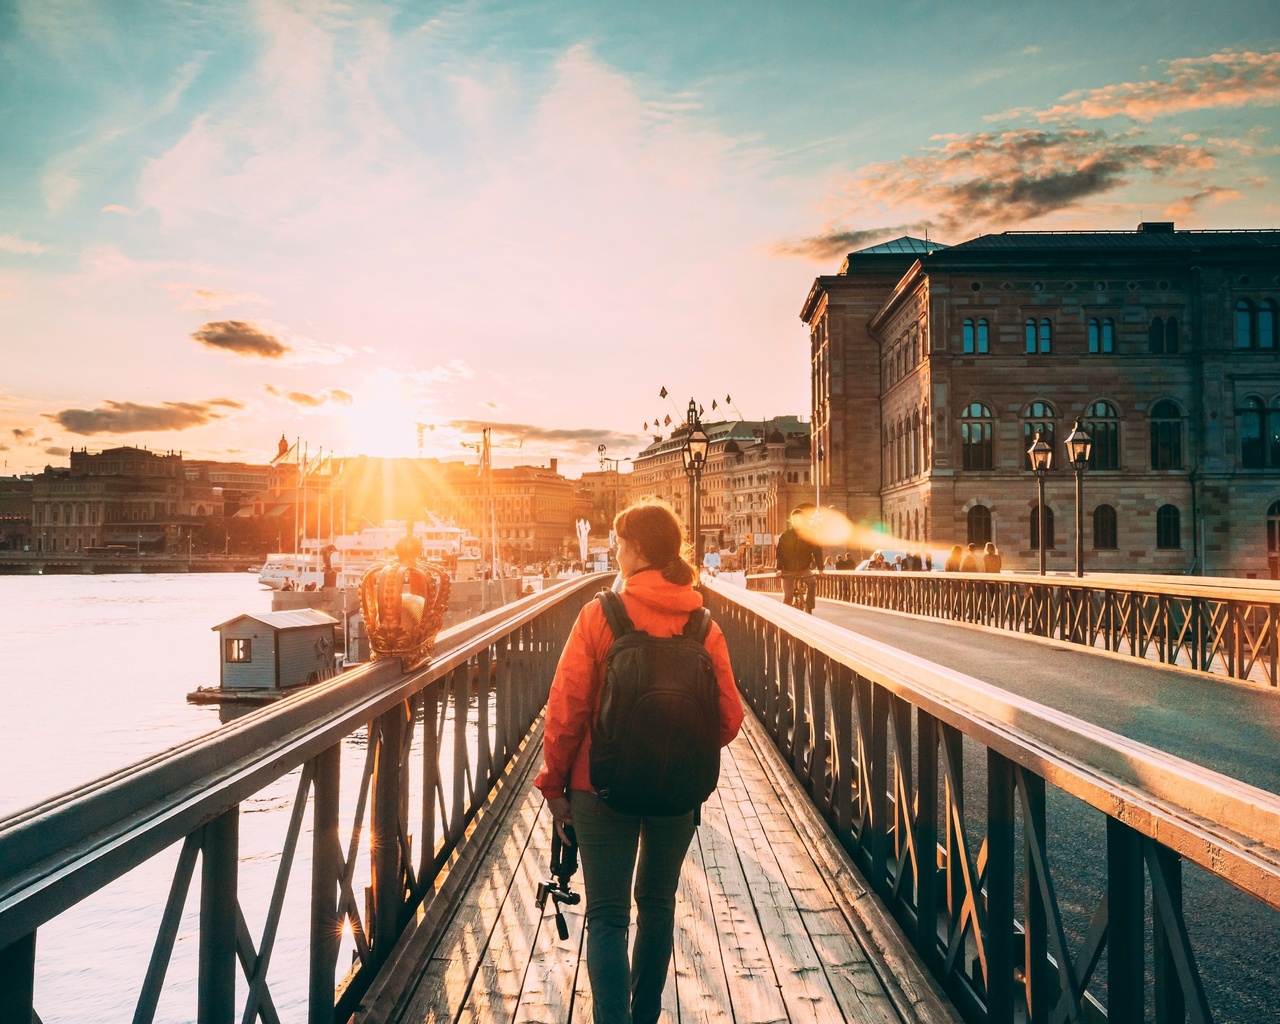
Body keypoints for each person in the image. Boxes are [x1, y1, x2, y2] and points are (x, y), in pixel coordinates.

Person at [536, 500, 744, 1024]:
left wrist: (554, 786)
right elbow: (729, 718)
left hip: (599, 786)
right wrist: (677, 751)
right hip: (676, 791)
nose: (615, 550)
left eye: (619, 542)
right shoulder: (702, 624)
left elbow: (567, 709)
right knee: (657, 906)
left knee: (607, 917)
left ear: (636, 551)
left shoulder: (600, 615)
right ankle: (645, 1014)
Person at [775, 505, 823, 610]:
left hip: (804, 569)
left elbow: (817, 551)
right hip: (788, 570)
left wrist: (821, 569)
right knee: (788, 597)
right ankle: (786, 618)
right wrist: (779, 569)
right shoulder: (786, 535)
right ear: (792, 521)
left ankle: (809, 606)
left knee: (812, 582)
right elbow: (780, 554)